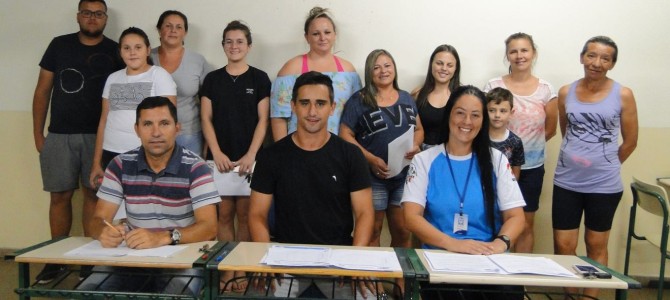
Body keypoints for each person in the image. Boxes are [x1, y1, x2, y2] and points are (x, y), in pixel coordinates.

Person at [248, 71, 375, 298]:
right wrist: (266, 257)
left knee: (370, 296)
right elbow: (257, 214)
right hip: (285, 259)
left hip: (339, 260)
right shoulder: (271, 156)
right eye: (305, 103)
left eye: (320, 103)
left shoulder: (350, 155)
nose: (312, 112)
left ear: (332, 107)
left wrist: (356, 259)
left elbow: (365, 213)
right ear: (293, 106)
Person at [81, 96, 220, 295]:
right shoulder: (119, 165)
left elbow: (209, 227)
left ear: (177, 128)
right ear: (137, 129)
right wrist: (103, 231)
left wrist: (162, 238)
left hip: (181, 257)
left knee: (177, 294)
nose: (156, 133)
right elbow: (97, 220)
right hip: (132, 256)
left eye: (164, 123)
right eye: (147, 124)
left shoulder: (196, 167)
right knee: (87, 291)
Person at [402, 85, 526, 300]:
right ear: (448, 114)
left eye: (475, 115)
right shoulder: (425, 160)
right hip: (440, 260)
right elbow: (411, 217)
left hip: (487, 260)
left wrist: (500, 243)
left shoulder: (497, 160)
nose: (467, 122)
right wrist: (455, 245)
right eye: (460, 113)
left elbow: (516, 216)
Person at [31, 0, 124, 283]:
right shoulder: (59, 45)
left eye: (98, 14)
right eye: (87, 13)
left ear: (105, 18)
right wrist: (38, 134)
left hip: (100, 138)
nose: (92, 18)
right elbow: (42, 91)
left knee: (94, 197)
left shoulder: (115, 50)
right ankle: (55, 259)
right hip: (59, 134)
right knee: (59, 196)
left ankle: (88, 260)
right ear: (78, 16)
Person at [553, 36, 638, 299]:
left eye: (605, 58)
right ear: (582, 57)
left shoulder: (623, 94)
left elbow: (630, 142)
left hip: (604, 185)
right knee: (563, 245)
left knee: (596, 245)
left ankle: (590, 297)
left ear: (612, 63)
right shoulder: (566, 91)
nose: (597, 63)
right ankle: (571, 295)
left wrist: (604, 165)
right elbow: (566, 131)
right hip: (566, 181)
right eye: (591, 55)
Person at [340, 49, 422, 296]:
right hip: (372, 177)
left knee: (402, 230)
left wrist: (417, 145)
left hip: (403, 177)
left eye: (387, 65)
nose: (383, 71)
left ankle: (400, 283)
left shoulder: (407, 98)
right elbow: (345, 134)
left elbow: (419, 130)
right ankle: (374, 284)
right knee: (372, 230)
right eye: (377, 67)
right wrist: (370, 159)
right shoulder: (359, 100)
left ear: (394, 69)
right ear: (369, 72)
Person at [200, 20, 271, 293]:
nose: (234, 46)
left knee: (246, 214)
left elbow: (263, 121)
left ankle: (242, 266)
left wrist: (251, 155)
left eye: (240, 41)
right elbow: (206, 118)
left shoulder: (259, 78)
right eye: (229, 41)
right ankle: (227, 268)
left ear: (249, 46)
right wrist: (216, 152)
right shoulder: (213, 79)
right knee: (223, 214)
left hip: (249, 158)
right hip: (220, 158)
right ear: (223, 46)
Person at [483, 32, 557, 253]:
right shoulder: (492, 85)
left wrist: (522, 150)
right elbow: (481, 122)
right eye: (513, 51)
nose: (519, 55)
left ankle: (519, 282)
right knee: (493, 221)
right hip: (493, 166)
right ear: (507, 56)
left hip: (531, 169)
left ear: (533, 53)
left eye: (524, 50)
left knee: (524, 224)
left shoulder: (545, 89)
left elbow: (551, 129)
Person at [89, 27, 177, 189]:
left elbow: (169, 122)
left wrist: (164, 158)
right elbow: (104, 121)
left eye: (138, 47)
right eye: (126, 48)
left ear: (148, 50)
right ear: (120, 52)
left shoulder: (159, 75)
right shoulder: (113, 78)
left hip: (145, 155)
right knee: (114, 209)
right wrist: (96, 162)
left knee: (142, 208)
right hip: (111, 153)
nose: (132, 52)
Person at [270, 6, 361, 141]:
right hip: (299, 149)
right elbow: (279, 117)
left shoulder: (349, 72)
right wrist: (283, 154)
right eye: (316, 33)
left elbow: (358, 115)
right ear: (307, 37)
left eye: (327, 32)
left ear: (335, 35)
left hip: (341, 149)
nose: (322, 38)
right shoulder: (290, 69)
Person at [151, 10, 211, 155]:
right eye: (168, 26)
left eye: (179, 27)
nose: (173, 31)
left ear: (185, 33)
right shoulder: (145, 57)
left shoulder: (198, 61)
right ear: (159, 30)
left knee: (189, 176)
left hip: (189, 134)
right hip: (152, 135)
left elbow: (209, 102)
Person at [412, 44, 462, 150]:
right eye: (439, 63)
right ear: (431, 65)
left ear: (455, 68)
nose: (444, 68)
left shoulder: (462, 96)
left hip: (452, 153)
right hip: (420, 155)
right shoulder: (417, 94)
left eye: (449, 65)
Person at [486, 87, 525, 179]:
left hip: (505, 188)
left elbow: (515, 176)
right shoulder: (478, 138)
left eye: (503, 111)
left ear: (511, 113)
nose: (497, 115)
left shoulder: (515, 141)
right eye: (492, 110)